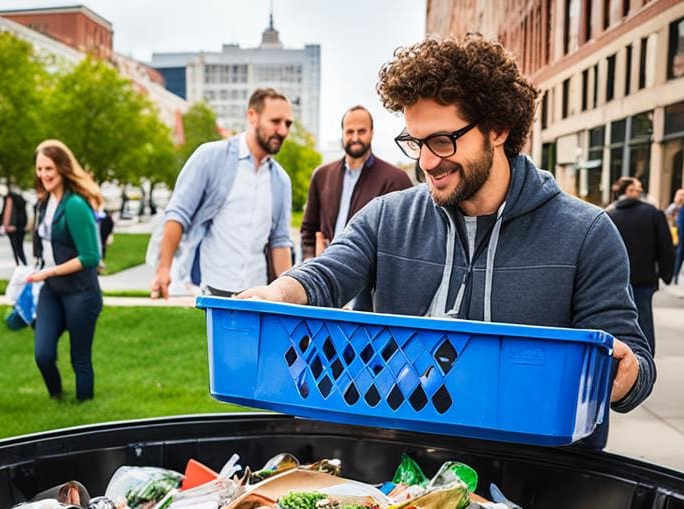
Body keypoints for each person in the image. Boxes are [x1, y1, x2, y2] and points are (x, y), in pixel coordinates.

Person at [239, 34, 654, 431]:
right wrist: (276, 292)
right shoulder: (388, 217)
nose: (426, 162)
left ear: (497, 128)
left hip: (535, 471)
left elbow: (632, 358)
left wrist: (626, 372)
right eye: (415, 142)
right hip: (403, 470)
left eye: (441, 140)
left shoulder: (587, 233)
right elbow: (327, 273)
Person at [150, 88, 294, 299]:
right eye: (275, 122)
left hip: (256, 293)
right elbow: (177, 214)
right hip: (211, 288)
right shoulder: (211, 157)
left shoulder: (281, 180)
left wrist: (287, 295)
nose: (282, 131)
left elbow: (280, 241)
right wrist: (163, 270)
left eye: (288, 124)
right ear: (252, 116)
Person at [300, 105, 412, 310]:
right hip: (326, 283)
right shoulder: (322, 175)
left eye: (361, 131)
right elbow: (308, 229)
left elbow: (404, 247)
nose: (355, 137)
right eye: (349, 131)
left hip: (367, 296)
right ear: (342, 133)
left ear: (372, 133)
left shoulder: (396, 179)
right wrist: (311, 260)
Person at [26, 139, 103, 402]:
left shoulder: (75, 205)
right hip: (53, 291)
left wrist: (49, 272)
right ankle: (57, 400)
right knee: (43, 353)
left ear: (61, 168)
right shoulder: (44, 202)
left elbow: (91, 257)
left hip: (81, 293)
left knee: (79, 358)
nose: (43, 175)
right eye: (39, 169)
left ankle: (85, 411)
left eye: (49, 168)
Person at [605, 177, 674, 354]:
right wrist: (666, 273)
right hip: (644, 277)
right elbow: (665, 245)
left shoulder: (609, 215)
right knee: (643, 320)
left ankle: (617, 359)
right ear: (628, 191)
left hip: (614, 279)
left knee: (614, 320)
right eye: (638, 188)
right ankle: (645, 363)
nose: (640, 191)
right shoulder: (652, 213)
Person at [665, 188, 684, 285]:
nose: (681, 197)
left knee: (679, 256)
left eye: (683, 195)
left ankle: (675, 275)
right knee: (671, 255)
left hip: (681, 236)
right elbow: (667, 218)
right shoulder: (672, 207)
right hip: (671, 234)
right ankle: (670, 274)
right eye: (679, 195)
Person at [1, 187, 28, 266]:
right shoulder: (16, 206)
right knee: (16, 249)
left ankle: (23, 265)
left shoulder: (16, 207)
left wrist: (12, 226)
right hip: (13, 229)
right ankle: (20, 265)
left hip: (15, 229)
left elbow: (10, 216)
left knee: (18, 248)